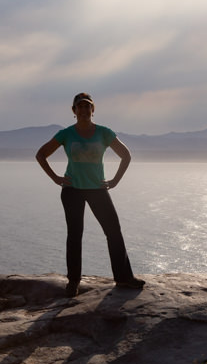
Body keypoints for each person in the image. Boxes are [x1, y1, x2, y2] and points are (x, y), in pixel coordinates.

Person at [36, 92, 145, 298]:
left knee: (113, 231)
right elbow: (41, 154)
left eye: (87, 106)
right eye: (80, 106)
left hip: (97, 189)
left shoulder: (104, 133)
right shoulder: (66, 134)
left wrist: (115, 181)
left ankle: (124, 277)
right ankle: (73, 282)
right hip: (72, 191)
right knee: (75, 235)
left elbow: (126, 155)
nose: (84, 110)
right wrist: (55, 178)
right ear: (74, 110)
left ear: (93, 110)